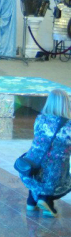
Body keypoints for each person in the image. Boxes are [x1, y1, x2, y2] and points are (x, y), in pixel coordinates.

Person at [19, 89, 71, 218]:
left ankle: (31, 202)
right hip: (55, 171)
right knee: (63, 180)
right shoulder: (69, 125)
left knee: (38, 175)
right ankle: (46, 200)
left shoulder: (40, 119)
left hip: (30, 165)